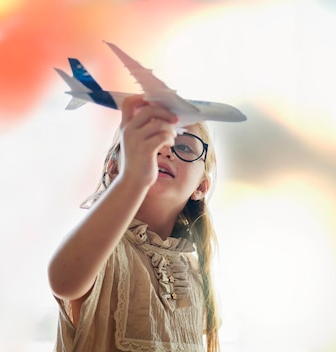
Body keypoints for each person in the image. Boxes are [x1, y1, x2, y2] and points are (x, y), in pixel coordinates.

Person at [48, 94, 221, 352]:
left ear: (201, 186)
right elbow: (64, 280)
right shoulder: (102, 250)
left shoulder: (194, 273)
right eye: (148, 141)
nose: (165, 149)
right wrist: (134, 177)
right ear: (114, 168)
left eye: (184, 147)